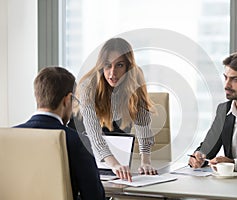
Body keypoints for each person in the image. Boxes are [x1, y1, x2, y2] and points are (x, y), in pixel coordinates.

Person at [72, 37, 157, 181]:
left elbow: (142, 124)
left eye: (119, 65)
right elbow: (94, 135)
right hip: (82, 140)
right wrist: (115, 164)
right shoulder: (88, 85)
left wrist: (145, 162)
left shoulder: (135, 77)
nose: (112, 73)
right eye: (107, 65)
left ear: (128, 66)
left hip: (116, 143)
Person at [14, 67, 105, 200]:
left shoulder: (9, 137)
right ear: (67, 99)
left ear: (37, 95)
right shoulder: (76, 141)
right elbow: (94, 196)